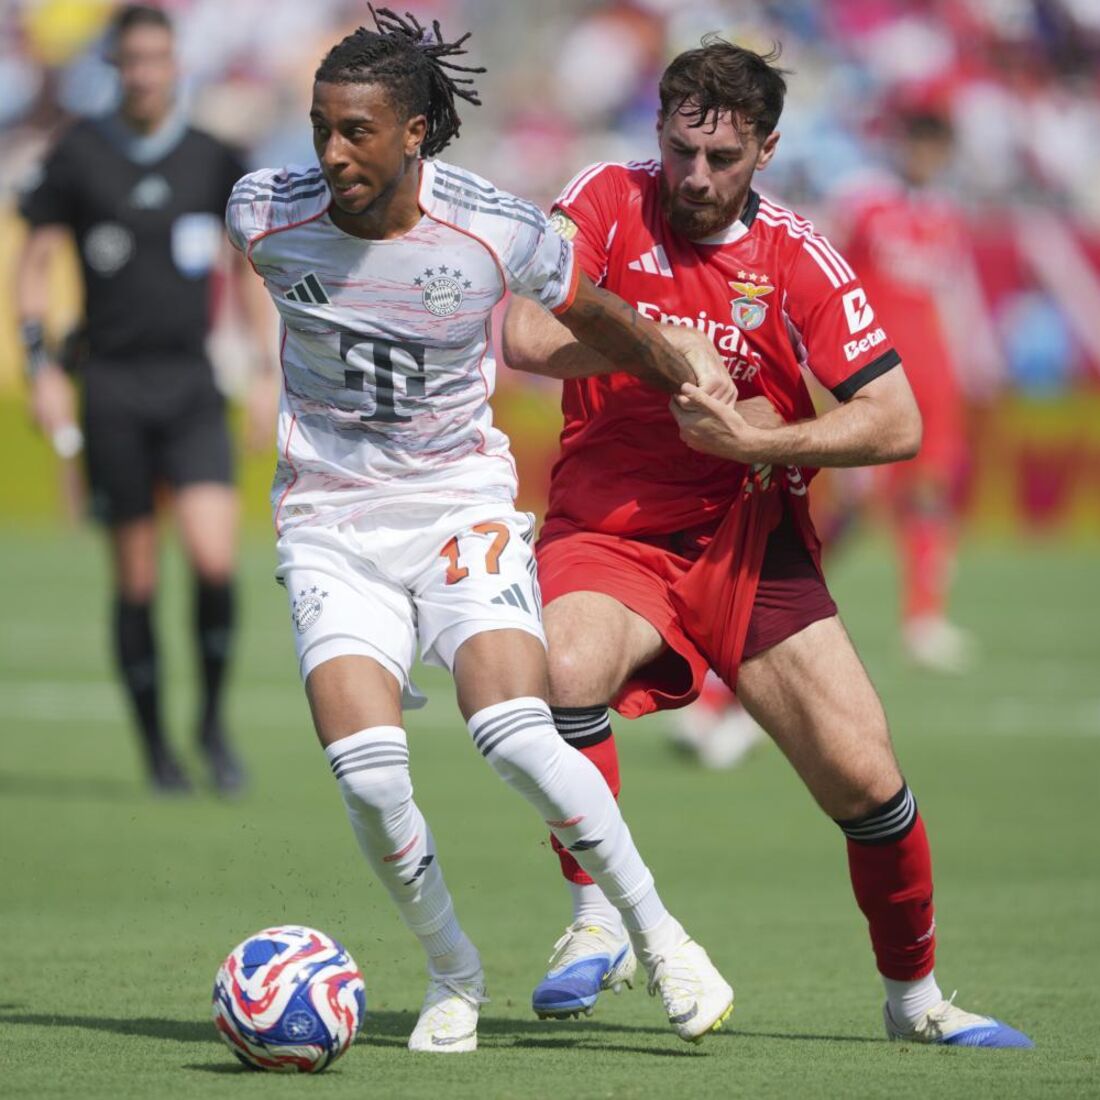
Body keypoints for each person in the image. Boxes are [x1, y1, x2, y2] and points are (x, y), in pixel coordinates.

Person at [226, 7, 736, 1054]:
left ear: (414, 131)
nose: (330, 153)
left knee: (512, 729)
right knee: (368, 774)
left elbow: (585, 315)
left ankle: (660, 931)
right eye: (320, 127)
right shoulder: (260, 214)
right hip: (328, 516)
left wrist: (680, 364)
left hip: (458, 500)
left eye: (355, 131)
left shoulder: (495, 227)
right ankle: (453, 971)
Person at [503, 36, 1031, 1047]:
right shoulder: (610, 196)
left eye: (721, 159)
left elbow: (895, 421)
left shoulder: (796, 253)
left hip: (749, 541)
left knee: (864, 776)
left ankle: (913, 1000)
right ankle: (598, 912)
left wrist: (762, 436)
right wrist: (661, 350)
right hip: (609, 530)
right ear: (656, 131)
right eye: (680, 150)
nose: (694, 177)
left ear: (767, 150)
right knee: (561, 669)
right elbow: (525, 333)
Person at [16, 4, 271, 794]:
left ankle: (211, 727)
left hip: (192, 383)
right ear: (117, 66)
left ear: (176, 65)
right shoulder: (81, 154)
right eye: (133, 60)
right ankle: (158, 749)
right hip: (114, 386)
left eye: (159, 58)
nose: (146, 73)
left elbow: (247, 267)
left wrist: (265, 367)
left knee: (215, 559)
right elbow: (34, 261)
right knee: (135, 577)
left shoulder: (213, 156)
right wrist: (42, 366)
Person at [835, 111, 996, 673]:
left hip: (934, 377)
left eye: (936, 148)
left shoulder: (948, 217)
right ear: (903, 144)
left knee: (930, 494)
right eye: (919, 145)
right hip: (874, 375)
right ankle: (784, 604)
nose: (926, 157)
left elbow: (955, 296)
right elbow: (834, 279)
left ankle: (923, 618)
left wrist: (975, 361)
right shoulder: (866, 204)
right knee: (846, 505)